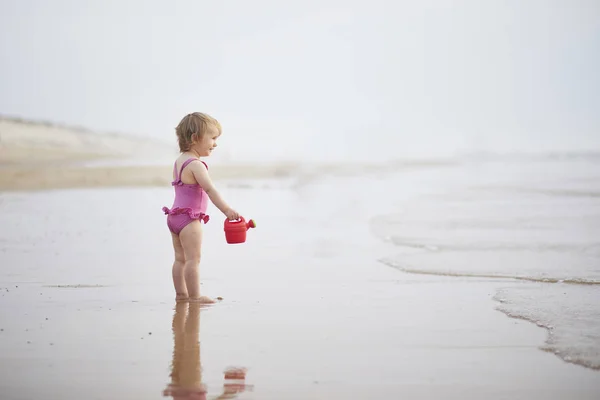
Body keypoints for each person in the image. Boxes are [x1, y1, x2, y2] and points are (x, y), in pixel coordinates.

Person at [162, 112, 240, 304]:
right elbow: (210, 190)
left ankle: (181, 295)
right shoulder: (196, 165)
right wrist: (227, 210)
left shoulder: (180, 161)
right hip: (189, 220)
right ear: (195, 138)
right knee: (193, 260)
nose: (215, 144)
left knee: (180, 259)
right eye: (213, 138)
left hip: (174, 217)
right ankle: (195, 297)